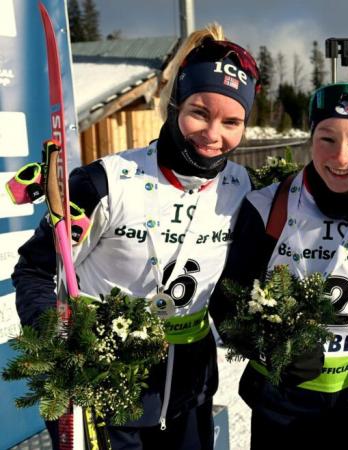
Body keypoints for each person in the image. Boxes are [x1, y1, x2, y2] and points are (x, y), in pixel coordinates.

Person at [12, 24, 259, 450]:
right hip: (103, 392)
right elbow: (34, 269)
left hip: (189, 394)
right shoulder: (105, 182)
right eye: (200, 112)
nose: (214, 134)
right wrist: (59, 340)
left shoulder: (243, 188)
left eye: (232, 121)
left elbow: (233, 285)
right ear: (176, 104)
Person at [209, 82, 348, 449]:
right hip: (284, 406)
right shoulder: (267, 207)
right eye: (327, 138)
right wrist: (273, 347)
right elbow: (226, 304)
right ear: (310, 139)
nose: (342, 157)